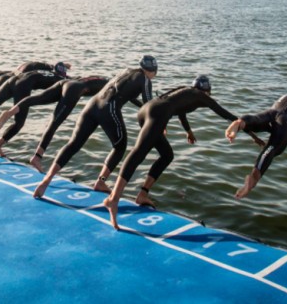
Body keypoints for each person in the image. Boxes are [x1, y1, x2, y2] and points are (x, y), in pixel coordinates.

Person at [103, 76, 264, 229]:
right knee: (138, 153)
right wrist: (253, 135)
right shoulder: (202, 96)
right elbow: (228, 116)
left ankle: (143, 194)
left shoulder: (185, 91)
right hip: (157, 114)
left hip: (146, 111)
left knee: (167, 155)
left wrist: (188, 131)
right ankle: (113, 199)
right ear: (206, 91)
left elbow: (180, 110)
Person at [33, 55, 158, 198]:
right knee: (120, 147)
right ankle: (101, 182)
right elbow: (150, 106)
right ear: (153, 71)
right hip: (109, 110)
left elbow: (127, 94)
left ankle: (46, 181)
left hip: (91, 105)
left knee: (73, 144)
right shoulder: (145, 80)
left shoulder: (126, 71)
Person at [0, 75, 109, 172]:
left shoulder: (102, 78)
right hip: (74, 89)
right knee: (54, 124)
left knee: (37, 98)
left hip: (66, 82)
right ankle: (37, 157)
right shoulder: (112, 85)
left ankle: (10, 112)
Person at [0, 62, 70, 156]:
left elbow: (49, 65)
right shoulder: (61, 79)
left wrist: (63, 64)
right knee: (19, 122)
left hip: (12, 79)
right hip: (23, 86)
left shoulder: (46, 71)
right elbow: (73, 81)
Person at [225, 94, 287, 199]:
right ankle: (253, 179)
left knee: (256, 119)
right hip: (286, 122)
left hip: (271, 114)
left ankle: (240, 123)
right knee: (272, 148)